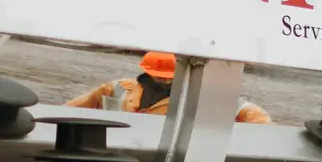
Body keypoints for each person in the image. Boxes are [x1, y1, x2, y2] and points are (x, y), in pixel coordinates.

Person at [66, 51, 272, 123]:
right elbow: (71, 109)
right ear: (148, 71)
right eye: (159, 76)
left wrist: (263, 132)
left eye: (169, 77)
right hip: (116, 152)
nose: (164, 80)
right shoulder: (117, 88)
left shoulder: (199, 98)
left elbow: (246, 111)